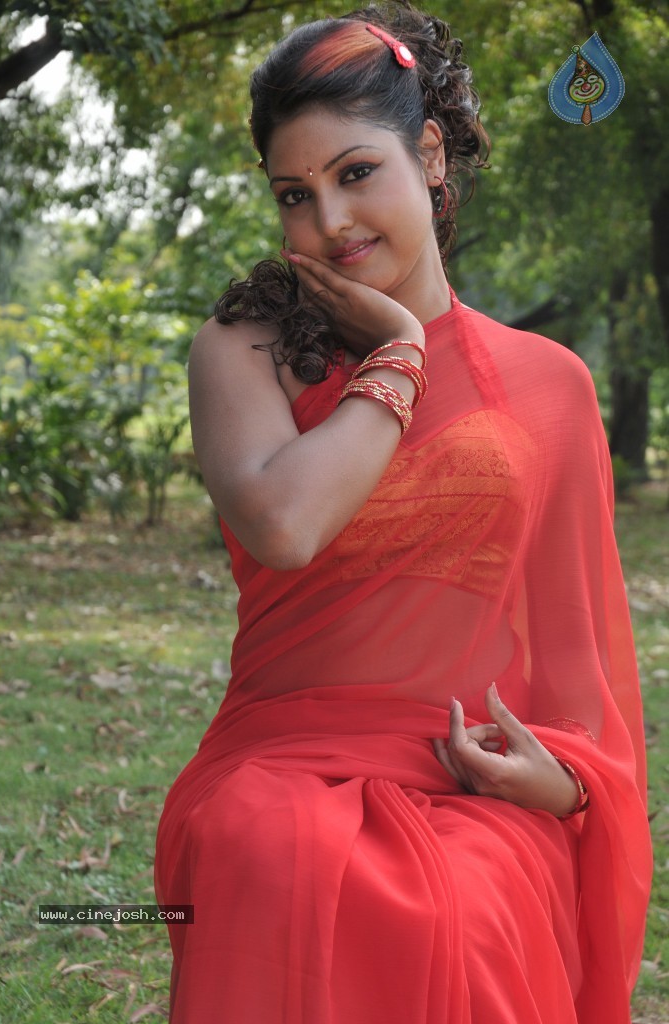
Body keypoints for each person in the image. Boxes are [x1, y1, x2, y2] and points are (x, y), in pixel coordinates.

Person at [154, 3, 652, 1021]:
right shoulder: (245, 349)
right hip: (277, 762)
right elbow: (285, 526)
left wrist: (563, 784)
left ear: (428, 154)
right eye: (295, 195)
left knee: (463, 902)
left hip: (467, 777)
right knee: (271, 849)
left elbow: (576, 665)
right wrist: (400, 357)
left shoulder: (548, 385)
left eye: (355, 173)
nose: (330, 221)